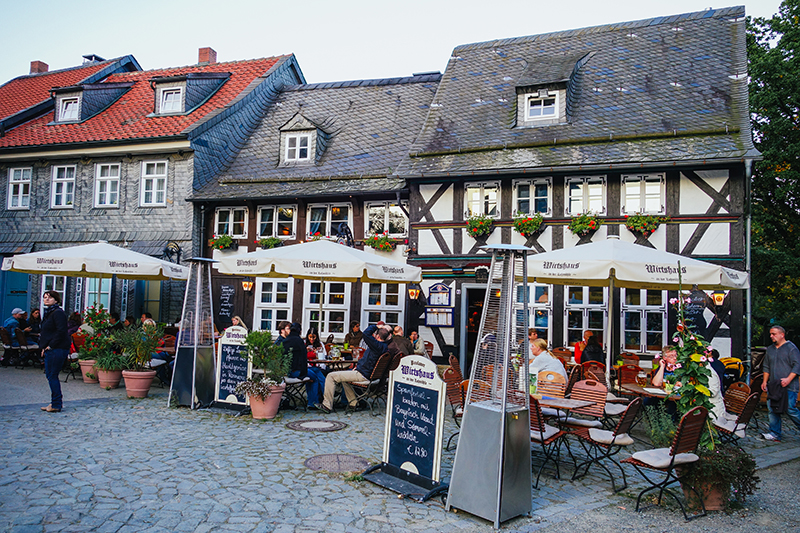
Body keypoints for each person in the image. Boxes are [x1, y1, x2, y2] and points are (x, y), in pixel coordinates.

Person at [318, 323, 390, 413]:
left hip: (363, 375)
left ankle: (327, 405)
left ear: (378, 336)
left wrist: (376, 326)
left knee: (330, 376)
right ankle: (353, 403)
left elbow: (365, 334)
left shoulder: (376, 345)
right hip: (368, 374)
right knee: (344, 378)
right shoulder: (385, 347)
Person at [761, 326, 800, 442]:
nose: (771, 336)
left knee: (790, 409)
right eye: (770, 334)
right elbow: (766, 366)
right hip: (774, 385)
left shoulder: (791, 349)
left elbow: (797, 365)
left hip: (789, 386)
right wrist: (764, 381)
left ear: (782, 335)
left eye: (774, 334)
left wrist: (788, 379)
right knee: (772, 409)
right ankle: (774, 433)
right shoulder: (770, 350)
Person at [39, 290, 69, 413]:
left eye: (49, 298)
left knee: (52, 375)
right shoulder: (49, 313)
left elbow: (61, 331)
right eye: (45, 297)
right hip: (52, 348)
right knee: (51, 375)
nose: (46, 299)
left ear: (56, 300)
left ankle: (56, 403)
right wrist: (43, 347)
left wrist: (50, 346)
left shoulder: (58, 313)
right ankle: (55, 402)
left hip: (57, 348)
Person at [284, 323, 324, 409]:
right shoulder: (299, 341)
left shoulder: (286, 340)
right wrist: (303, 373)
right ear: (299, 331)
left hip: (286, 371)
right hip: (296, 371)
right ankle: (313, 402)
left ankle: (316, 400)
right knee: (314, 378)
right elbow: (303, 358)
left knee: (314, 373)